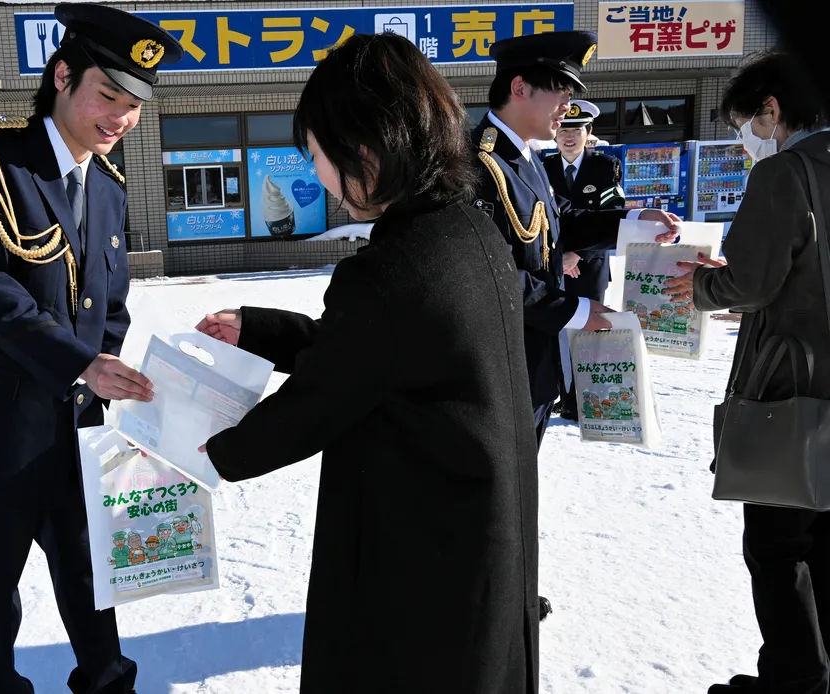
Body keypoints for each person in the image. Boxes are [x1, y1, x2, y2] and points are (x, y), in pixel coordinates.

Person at [197, 32, 541, 694]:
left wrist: (206, 452)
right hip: (480, 541)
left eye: (318, 156)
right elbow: (376, 356)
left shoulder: (391, 272)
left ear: (364, 152)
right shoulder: (469, 232)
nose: (318, 176)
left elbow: (322, 399)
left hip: (420, 563)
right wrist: (260, 329)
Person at [0, 4, 183, 693]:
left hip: (72, 433)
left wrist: (109, 370)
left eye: (135, 105)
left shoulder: (108, 189)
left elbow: (107, 305)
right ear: (62, 76)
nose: (120, 118)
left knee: (94, 587)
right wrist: (80, 362)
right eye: (108, 95)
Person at [468, 30, 679, 622]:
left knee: (516, 483)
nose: (569, 111)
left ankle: (505, 587)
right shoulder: (478, 164)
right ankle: (489, 596)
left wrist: (635, 221)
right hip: (499, 360)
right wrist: (585, 312)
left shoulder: (522, 156)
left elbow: (563, 223)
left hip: (529, 362)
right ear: (519, 87)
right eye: (560, 94)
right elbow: (492, 279)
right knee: (497, 488)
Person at [663, 50, 830, 694]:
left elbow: (752, 282)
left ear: (772, 109)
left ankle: (793, 679)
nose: (747, 136)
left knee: (777, 544)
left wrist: (703, 286)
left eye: (747, 121)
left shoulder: (786, 173)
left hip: (792, 391)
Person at [543, 99, 626, 420]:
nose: (568, 136)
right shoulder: (543, 167)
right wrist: (561, 256)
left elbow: (609, 217)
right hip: (555, 264)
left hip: (590, 267)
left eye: (576, 130)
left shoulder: (605, 166)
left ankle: (583, 400)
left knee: (588, 333)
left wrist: (578, 253)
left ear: (588, 132)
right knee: (556, 329)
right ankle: (560, 395)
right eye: (563, 129)